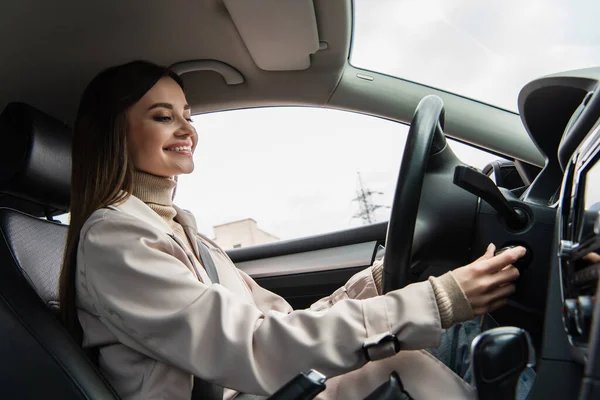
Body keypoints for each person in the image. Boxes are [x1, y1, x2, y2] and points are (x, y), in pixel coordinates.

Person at [59, 61, 525, 400]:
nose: (187, 129)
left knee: (461, 328)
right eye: (163, 116)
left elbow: (278, 324)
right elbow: (256, 347)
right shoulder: (114, 239)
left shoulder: (186, 233)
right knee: (407, 354)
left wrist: (383, 281)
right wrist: (435, 300)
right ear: (114, 134)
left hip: (262, 390)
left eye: (188, 115)